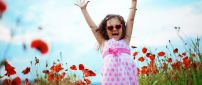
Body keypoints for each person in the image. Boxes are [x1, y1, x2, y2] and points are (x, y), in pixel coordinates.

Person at [75, 0, 138, 85]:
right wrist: (83, 9)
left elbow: (131, 20)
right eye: (110, 28)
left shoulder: (125, 41)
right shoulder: (104, 43)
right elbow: (93, 27)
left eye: (118, 26)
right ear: (106, 30)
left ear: (122, 28)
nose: (114, 29)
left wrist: (133, 2)